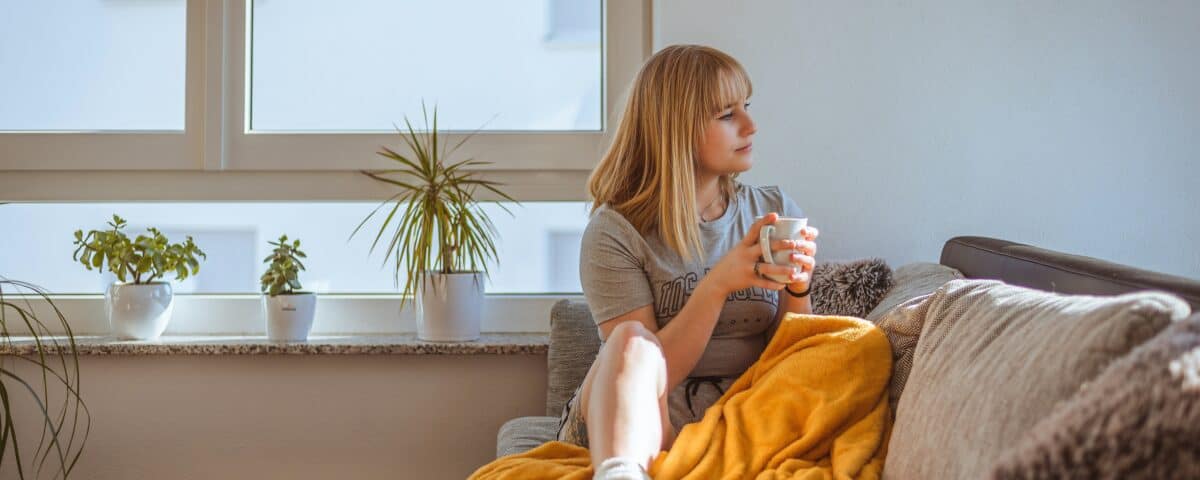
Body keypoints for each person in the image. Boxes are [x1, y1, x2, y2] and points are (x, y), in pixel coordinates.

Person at [555, 44, 821, 480]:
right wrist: (717, 286)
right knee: (629, 340)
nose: (751, 125)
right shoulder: (614, 232)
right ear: (677, 129)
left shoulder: (771, 209)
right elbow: (647, 375)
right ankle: (620, 472)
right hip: (635, 415)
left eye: (746, 106)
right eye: (727, 115)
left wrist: (798, 288)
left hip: (738, 412)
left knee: (859, 345)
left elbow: (789, 361)